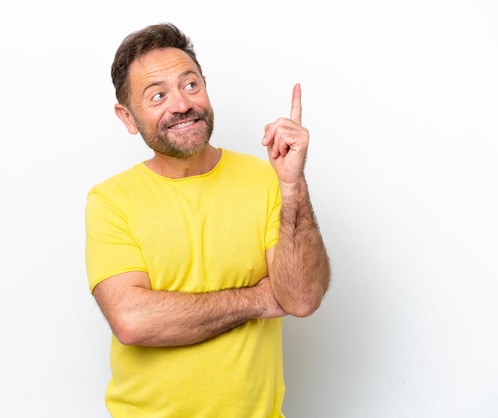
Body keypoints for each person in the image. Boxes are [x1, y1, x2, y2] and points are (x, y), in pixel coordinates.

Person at [85, 22, 331, 417]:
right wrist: (259, 298)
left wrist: (292, 184)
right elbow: (132, 320)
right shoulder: (111, 200)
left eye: (190, 85)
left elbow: (300, 298)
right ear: (127, 117)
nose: (181, 104)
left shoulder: (266, 180)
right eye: (158, 95)